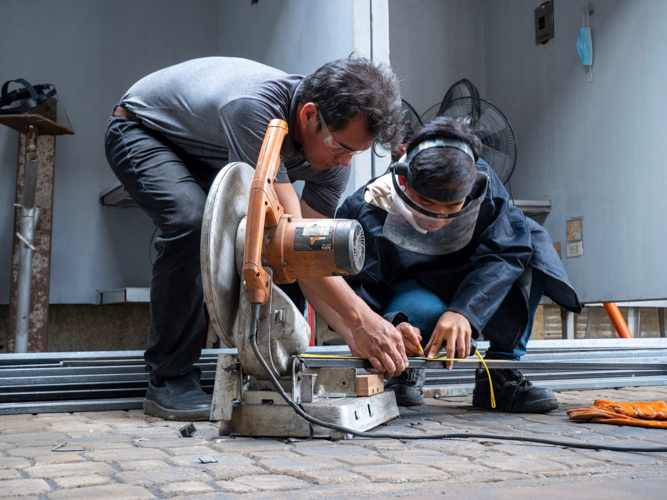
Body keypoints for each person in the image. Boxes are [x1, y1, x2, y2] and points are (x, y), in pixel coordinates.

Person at [104, 55, 412, 420]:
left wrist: (362, 342)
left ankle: (274, 368)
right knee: (191, 223)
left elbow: (309, 259)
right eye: (341, 148)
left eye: (354, 154)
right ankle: (168, 379)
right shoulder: (256, 110)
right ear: (309, 115)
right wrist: (363, 319)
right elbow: (293, 240)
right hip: (142, 130)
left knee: (286, 254)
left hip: (206, 150)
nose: (345, 164)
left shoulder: (330, 164)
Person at [335, 116, 582, 412]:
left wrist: (465, 312)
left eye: (452, 207)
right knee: (419, 315)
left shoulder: (483, 185)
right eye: (425, 206)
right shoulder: (369, 206)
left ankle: (500, 374)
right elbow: (353, 284)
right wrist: (391, 325)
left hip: (474, 281)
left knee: (533, 242)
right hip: (415, 289)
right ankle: (406, 366)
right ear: (403, 180)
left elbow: (506, 252)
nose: (438, 219)